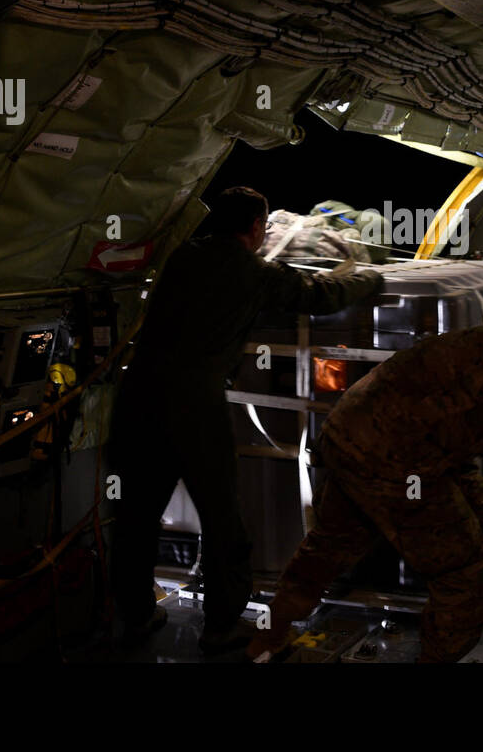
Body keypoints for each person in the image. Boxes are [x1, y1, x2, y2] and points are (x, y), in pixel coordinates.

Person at [247, 270, 483, 662]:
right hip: (393, 461)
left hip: (350, 439)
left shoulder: (481, 340)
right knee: (465, 569)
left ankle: (267, 637)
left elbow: (451, 449)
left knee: (327, 549)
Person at [108, 186, 383, 649]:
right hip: (193, 407)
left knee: (136, 515)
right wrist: (367, 278)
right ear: (256, 228)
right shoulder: (251, 272)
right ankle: (220, 626)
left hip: (137, 398)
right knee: (222, 518)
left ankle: (134, 617)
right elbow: (320, 294)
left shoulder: (180, 258)